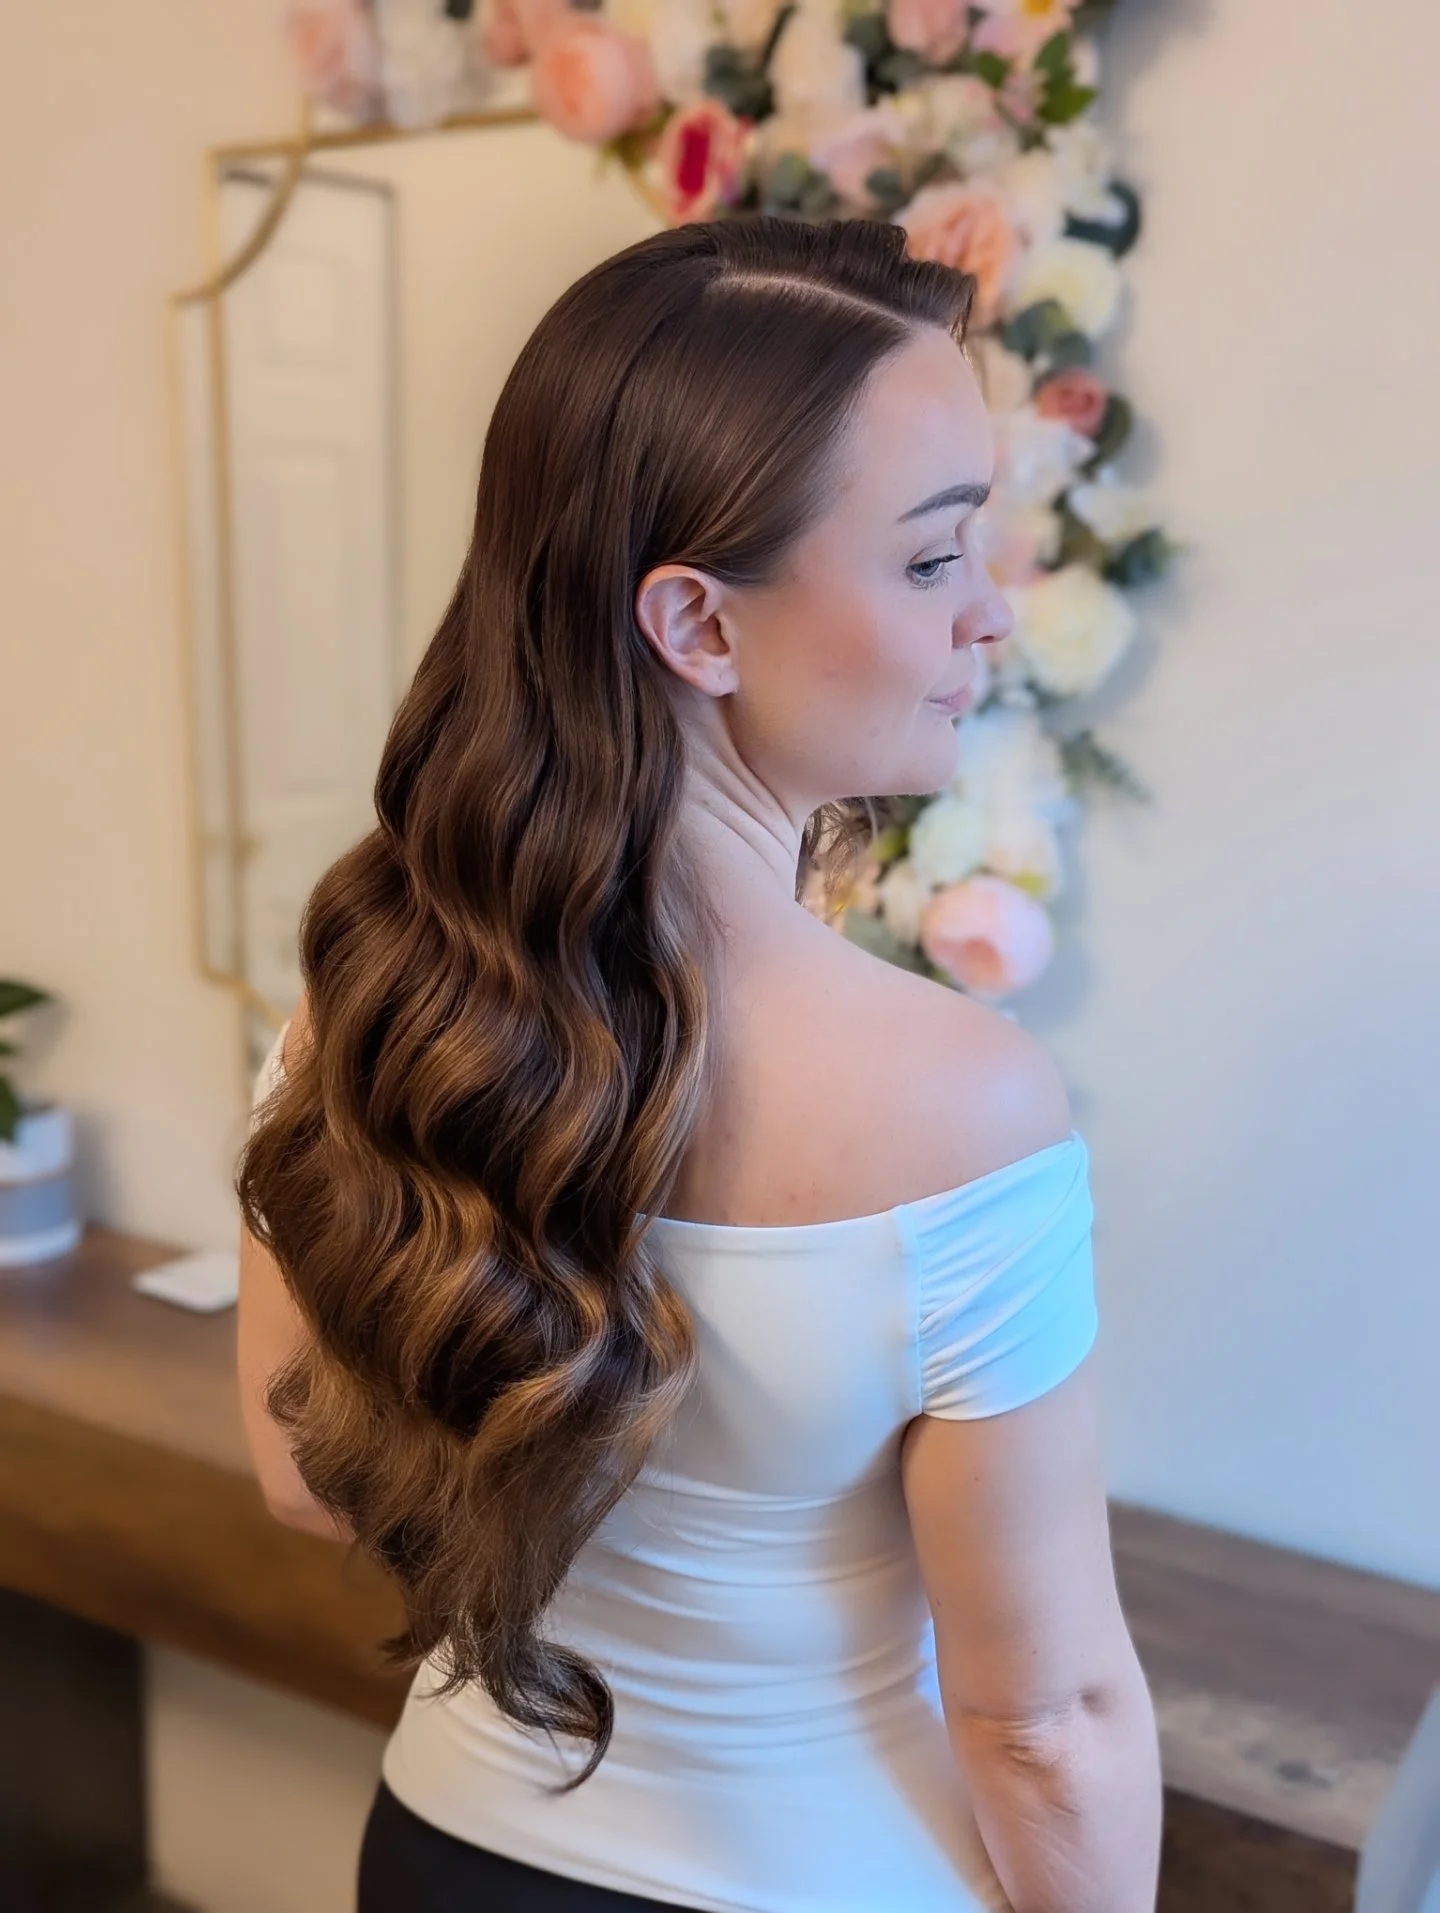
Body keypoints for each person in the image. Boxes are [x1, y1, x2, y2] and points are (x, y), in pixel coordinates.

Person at [237, 214, 1162, 1913]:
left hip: (447, 1856)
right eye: (932, 559)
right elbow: (1048, 1718)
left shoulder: (363, 998)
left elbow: (307, 1479)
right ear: (698, 624)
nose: (991, 622)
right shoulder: (958, 1103)